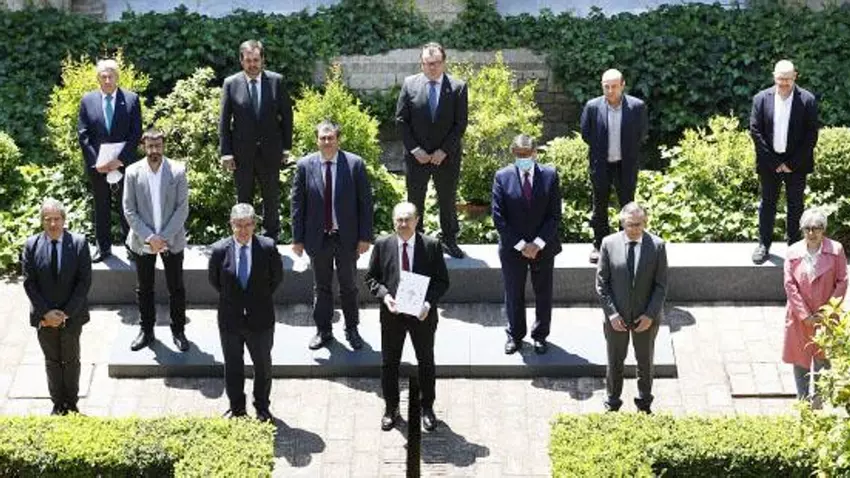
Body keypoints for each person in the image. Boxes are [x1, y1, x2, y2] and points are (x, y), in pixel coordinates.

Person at [365, 202, 449, 432]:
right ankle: (391, 408)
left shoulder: (431, 246)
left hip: (422, 316)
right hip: (392, 315)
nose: (403, 224)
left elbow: (442, 281)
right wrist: (385, 296)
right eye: (399, 220)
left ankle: (427, 408)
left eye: (407, 219)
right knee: (389, 363)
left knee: (426, 361)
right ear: (394, 221)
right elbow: (371, 278)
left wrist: (428, 304)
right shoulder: (383, 244)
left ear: (417, 220)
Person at [291, 120, 374, 350]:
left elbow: (365, 203)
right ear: (317, 140)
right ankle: (323, 331)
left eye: (331, 138)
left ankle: (352, 329)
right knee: (321, 287)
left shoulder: (355, 164)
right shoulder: (305, 166)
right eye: (323, 138)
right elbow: (297, 205)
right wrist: (297, 239)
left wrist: (365, 237)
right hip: (318, 239)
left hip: (346, 238)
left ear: (338, 139)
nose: (327, 142)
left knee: (349, 287)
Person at [208, 203, 283, 422]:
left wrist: (256, 299)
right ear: (231, 224)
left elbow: (276, 278)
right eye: (238, 225)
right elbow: (215, 281)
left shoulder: (267, 247)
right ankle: (237, 408)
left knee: (262, 365)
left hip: (260, 318)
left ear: (254, 225)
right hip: (230, 319)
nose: (243, 230)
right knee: (233, 365)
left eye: (247, 225)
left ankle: (262, 407)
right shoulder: (219, 250)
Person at [395, 42, 468, 259]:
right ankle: (416, 240)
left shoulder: (458, 87)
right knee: (415, 199)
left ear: (444, 63)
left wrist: (443, 150)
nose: (432, 67)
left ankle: (449, 240)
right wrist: (415, 149)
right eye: (427, 63)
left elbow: (460, 124)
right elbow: (401, 120)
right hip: (417, 157)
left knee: (447, 198)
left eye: (436, 63)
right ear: (422, 64)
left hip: (446, 157)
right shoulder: (410, 84)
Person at [491, 134, 562, 355]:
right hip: (513, 249)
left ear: (535, 153)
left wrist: (537, 244)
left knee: (543, 293)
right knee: (513, 293)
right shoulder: (502, 177)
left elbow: (554, 215)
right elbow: (498, 217)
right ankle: (515, 335)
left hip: (543, 246)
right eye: (518, 154)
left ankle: (540, 335)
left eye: (526, 154)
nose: (523, 158)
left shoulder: (550, 175)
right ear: (513, 154)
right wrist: (522, 245)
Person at [22, 199, 92, 415]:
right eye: (48, 219)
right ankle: (57, 404)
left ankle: (71, 403)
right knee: (52, 361)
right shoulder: (31, 245)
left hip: (71, 316)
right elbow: (29, 283)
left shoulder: (79, 243)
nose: (53, 224)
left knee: (71, 360)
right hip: (44, 318)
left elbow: (84, 282)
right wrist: (46, 314)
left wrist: (64, 314)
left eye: (56, 219)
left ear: (64, 220)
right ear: (42, 221)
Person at [595, 202, 667, 413]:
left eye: (639, 224)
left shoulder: (657, 246)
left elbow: (661, 285)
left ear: (645, 222)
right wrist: (612, 314)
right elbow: (602, 284)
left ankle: (644, 402)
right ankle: (612, 402)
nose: (634, 229)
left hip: (646, 317)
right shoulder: (609, 244)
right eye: (630, 224)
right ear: (622, 223)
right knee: (615, 361)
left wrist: (650, 315)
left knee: (645, 361)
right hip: (616, 317)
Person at [123, 128, 190, 352]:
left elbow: (182, 208)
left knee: (176, 288)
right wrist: (150, 237)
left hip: (172, 239)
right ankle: (146, 331)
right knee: (144, 288)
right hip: (143, 240)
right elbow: (129, 209)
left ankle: (178, 330)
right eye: (150, 146)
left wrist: (163, 237)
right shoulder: (132, 172)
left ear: (163, 146)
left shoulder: (178, 171)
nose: (154, 150)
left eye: (158, 146)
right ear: (144, 146)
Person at [219, 39, 293, 242]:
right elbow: (224, 120)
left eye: (256, 60)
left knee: (271, 198)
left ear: (263, 60)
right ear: (241, 61)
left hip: (271, 152)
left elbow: (287, 116)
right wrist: (226, 153)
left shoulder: (276, 81)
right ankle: (245, 240)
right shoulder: (231, 84)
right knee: (244, 199)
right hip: (241, 154)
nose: (252, 64)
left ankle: (271, 241)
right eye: (248, 60)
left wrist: (286, 148)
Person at [750, 60, 820, 265]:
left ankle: (794, 247)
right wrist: (774, 162)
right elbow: (755, 131)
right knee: (767, 204)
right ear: (774, 76)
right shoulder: (761, 98)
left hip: (796, 165)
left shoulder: (807, 100)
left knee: (796, 205)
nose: (783, 83)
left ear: (795, 76)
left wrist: (792, 163)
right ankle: (763, 245)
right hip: (769, 163)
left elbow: (811, 134)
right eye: (780, 79)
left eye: (787, 79)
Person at [77, 58, 143, 262]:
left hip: (125, 165)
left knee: (127, 206)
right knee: (101, 207)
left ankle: (132, 246)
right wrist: (97, 163)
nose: (107, 80)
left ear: (117, 77)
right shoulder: (87, 100)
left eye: (111, 76)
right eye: (103, 76)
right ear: (98, 78)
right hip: (98, 167)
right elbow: (83, 135)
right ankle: (103, 248)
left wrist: (120, 160)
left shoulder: (131, 99)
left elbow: (136, 133)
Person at [580, 69, 648, 264]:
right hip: (601, 164)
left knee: (627, 204)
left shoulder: (636, 107)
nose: (610, 91)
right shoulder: (593, 107)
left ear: (623, 85)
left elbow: (642, 133)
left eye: (614, 86)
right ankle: (599, 245)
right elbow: (586, 133)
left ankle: (625, 244)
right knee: (599, 205)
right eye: (606, 87)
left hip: (626, 165)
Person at [782, 208, 847, 407]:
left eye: (816, 228)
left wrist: (825, 313)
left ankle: (819, 401)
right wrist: (805, 315)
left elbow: (842, 281)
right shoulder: (793, 252)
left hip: (826, 317)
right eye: (807, 228)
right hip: (799, 317)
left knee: (823, 359)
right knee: (800, 359)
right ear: (802, 230)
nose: (811, 233)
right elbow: (790, 285)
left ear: (823, 229)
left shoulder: (836, 250)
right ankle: (802, 402)